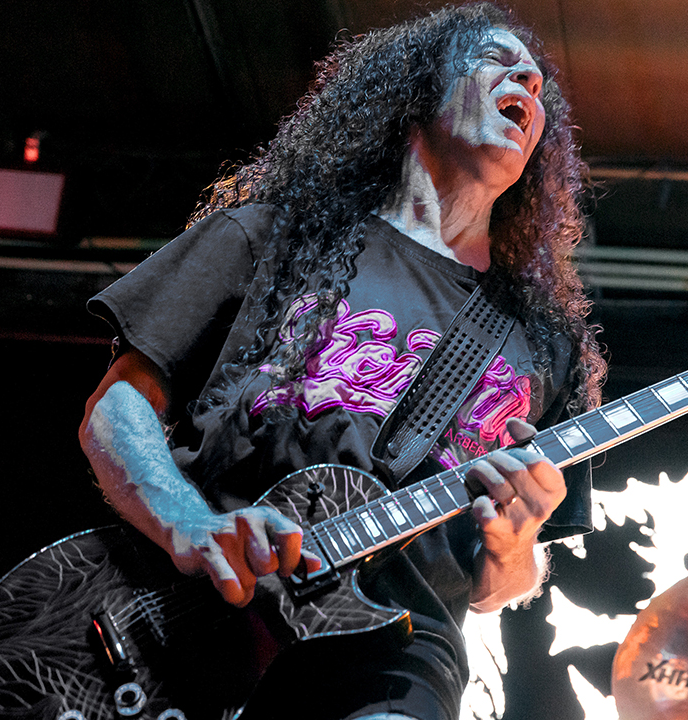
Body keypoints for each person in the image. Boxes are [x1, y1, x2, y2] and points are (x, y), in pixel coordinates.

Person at [77, 3, 605, 719]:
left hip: (396, 654)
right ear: (418, 89)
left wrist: (514, 545)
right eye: (496, 60)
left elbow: (500, 586)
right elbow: (117, 408)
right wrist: (189, 528)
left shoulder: (543, 342)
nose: (529, 83)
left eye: (539, 85)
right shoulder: (270, 239)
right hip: (192, 621)